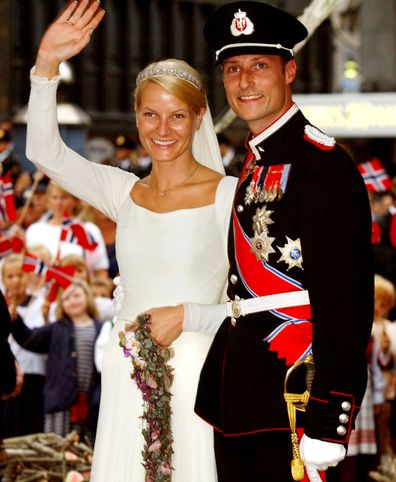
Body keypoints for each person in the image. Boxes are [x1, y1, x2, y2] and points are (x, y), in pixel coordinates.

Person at [25, 1, 237, 481]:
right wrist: (46, 65)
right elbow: (44, 150)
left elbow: (266, 304)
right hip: (127, 378)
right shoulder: (124, 192)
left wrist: (192, 316)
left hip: (197, 380)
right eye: (150, 115)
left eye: (177, 116)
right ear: (136, 117)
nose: (162, 130)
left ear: (199, 116)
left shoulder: (229, 196)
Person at [189, 2, 373, 481]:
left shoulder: (323, 164)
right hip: (245, 394)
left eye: (259, 66)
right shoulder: (253, 160)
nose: (245, 81)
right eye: (233, 68)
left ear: (288, 70)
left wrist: (331, 416)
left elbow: (347, 301)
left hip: (295, 393)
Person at [9, 280, 102, 440]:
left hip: (90, 402)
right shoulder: (57, 328)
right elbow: (30, 338)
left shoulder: (101, 327)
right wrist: (16, 320)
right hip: (61, 401)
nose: (72, 301)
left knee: (88, 445)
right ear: (60, 304)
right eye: (66, 298)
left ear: (87, 297)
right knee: (59, 445)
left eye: (76, 296)